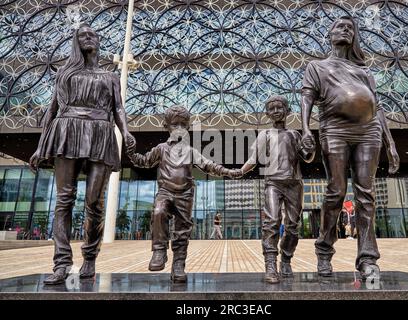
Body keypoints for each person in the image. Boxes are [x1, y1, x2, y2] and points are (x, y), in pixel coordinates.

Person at [29, 24, 136, 284]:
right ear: (76, 42)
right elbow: (52, 110)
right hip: (67, 131)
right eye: (82, 35)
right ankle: (62, 263)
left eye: (92, 34)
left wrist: (126, 132)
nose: (87, 38)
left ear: (98, 41)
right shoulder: (65, 72)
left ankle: (90, 256)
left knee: (94, 202)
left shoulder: (109, 76)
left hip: (100, 132)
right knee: (64, 199)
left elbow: (118, 109)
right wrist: (41, 145)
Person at [301, 16, 400, 280]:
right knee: (336, 190)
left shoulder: (364, 71)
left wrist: (390, 143)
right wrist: (306, 129)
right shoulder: (317, 67)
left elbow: (377, 107)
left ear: (354, 37)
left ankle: (368, 258)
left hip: (370, 132)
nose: (345, 29)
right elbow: (307, 97)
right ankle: (324, 250)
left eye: (350, 28)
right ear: (330, 34)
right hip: (334, 129)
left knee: (366, 193)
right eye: (339, 27)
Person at [128, 105, 241, 282]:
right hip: (165, 192)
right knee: (158, 211)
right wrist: (131, 153)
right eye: (175, 125)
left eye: (183, 125)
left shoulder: (190, 151)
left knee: (182, 231)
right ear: (166, 126)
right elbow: (144, 161)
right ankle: (159, 251)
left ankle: (178, 265)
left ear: (187, 127)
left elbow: (208, 165)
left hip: (185, 195)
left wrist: (228, 172)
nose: (179, 129)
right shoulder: (161, 149)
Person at [239, 95, 314, 283]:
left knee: (292, 226)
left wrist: (311, 147)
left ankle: (286, 259)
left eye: (279, 107)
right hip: (273, 182)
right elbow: (253, 160)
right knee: (271, 222)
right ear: (267, 113)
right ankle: (270, 264)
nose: (276, 111)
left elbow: (307, 157)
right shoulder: (264, 135)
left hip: (294, 183)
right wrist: (239, 171)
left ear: (287, 111)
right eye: (271, 109)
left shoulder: (295, 135)